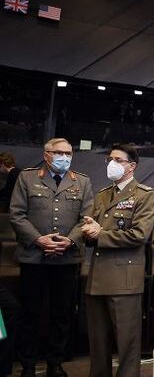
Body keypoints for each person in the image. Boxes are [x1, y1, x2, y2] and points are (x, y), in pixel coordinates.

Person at [9, 138, 94, 377]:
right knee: (30, 313)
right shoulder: (27, 178)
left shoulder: (82, 181)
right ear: (46, 155)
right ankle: (27, 365)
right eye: (59, 152)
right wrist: (39, 240)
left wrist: (70, 241)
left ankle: (55, 363)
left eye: (68, 153)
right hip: (33, 258)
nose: (64, 157)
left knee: (62, 314)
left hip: (66, 259)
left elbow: (87, 217)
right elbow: (17, 215)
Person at [81, 144, 154, 377]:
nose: (111, 164)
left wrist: (100, 234)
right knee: (98, 343)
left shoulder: (145, 194)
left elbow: (139, 235)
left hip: (124, 280)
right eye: (109, 159)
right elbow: (93, 230)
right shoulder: (103, 194)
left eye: (117, 160)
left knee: (127, 344)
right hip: (97, 276)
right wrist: (88, 231)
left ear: (131, 166)